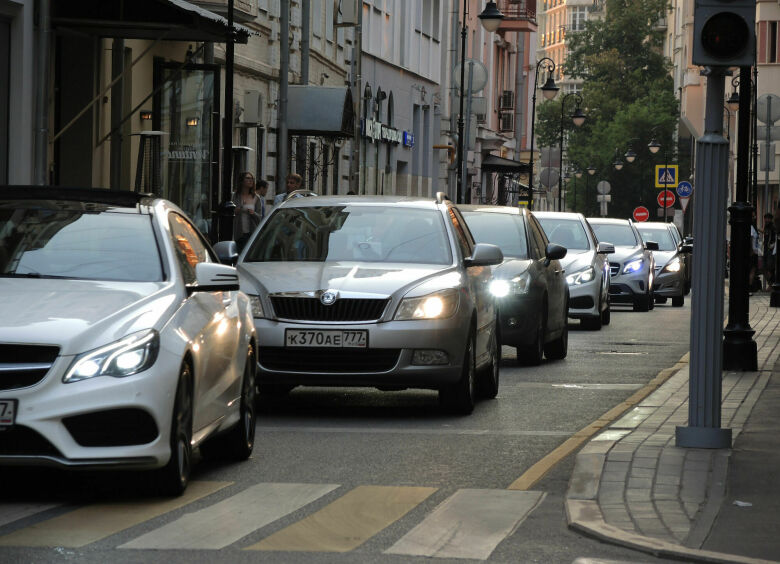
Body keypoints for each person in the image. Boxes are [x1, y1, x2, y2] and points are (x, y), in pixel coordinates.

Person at [232, 172, 267, 250]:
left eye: (252, 179)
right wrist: (239, 208)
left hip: (251, 233)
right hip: (239, 233)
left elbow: (260, 217)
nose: (250, 180)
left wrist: (253, 213)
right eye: (248, 178)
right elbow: (232, 212)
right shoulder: (236, 196)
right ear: (242, 181)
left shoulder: (256, 197)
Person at [762, 212, 776, 290]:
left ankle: (771, 285)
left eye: (768, 218)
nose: (766, 220)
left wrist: (773, 245)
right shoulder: (766, 227)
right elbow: (765, 234)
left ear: (771, 219)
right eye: (765, 218)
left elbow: (775, 236)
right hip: (766, 250)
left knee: (770, 267)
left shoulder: (773, 227)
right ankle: (771, 284)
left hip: (770, 250)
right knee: (765, 268)